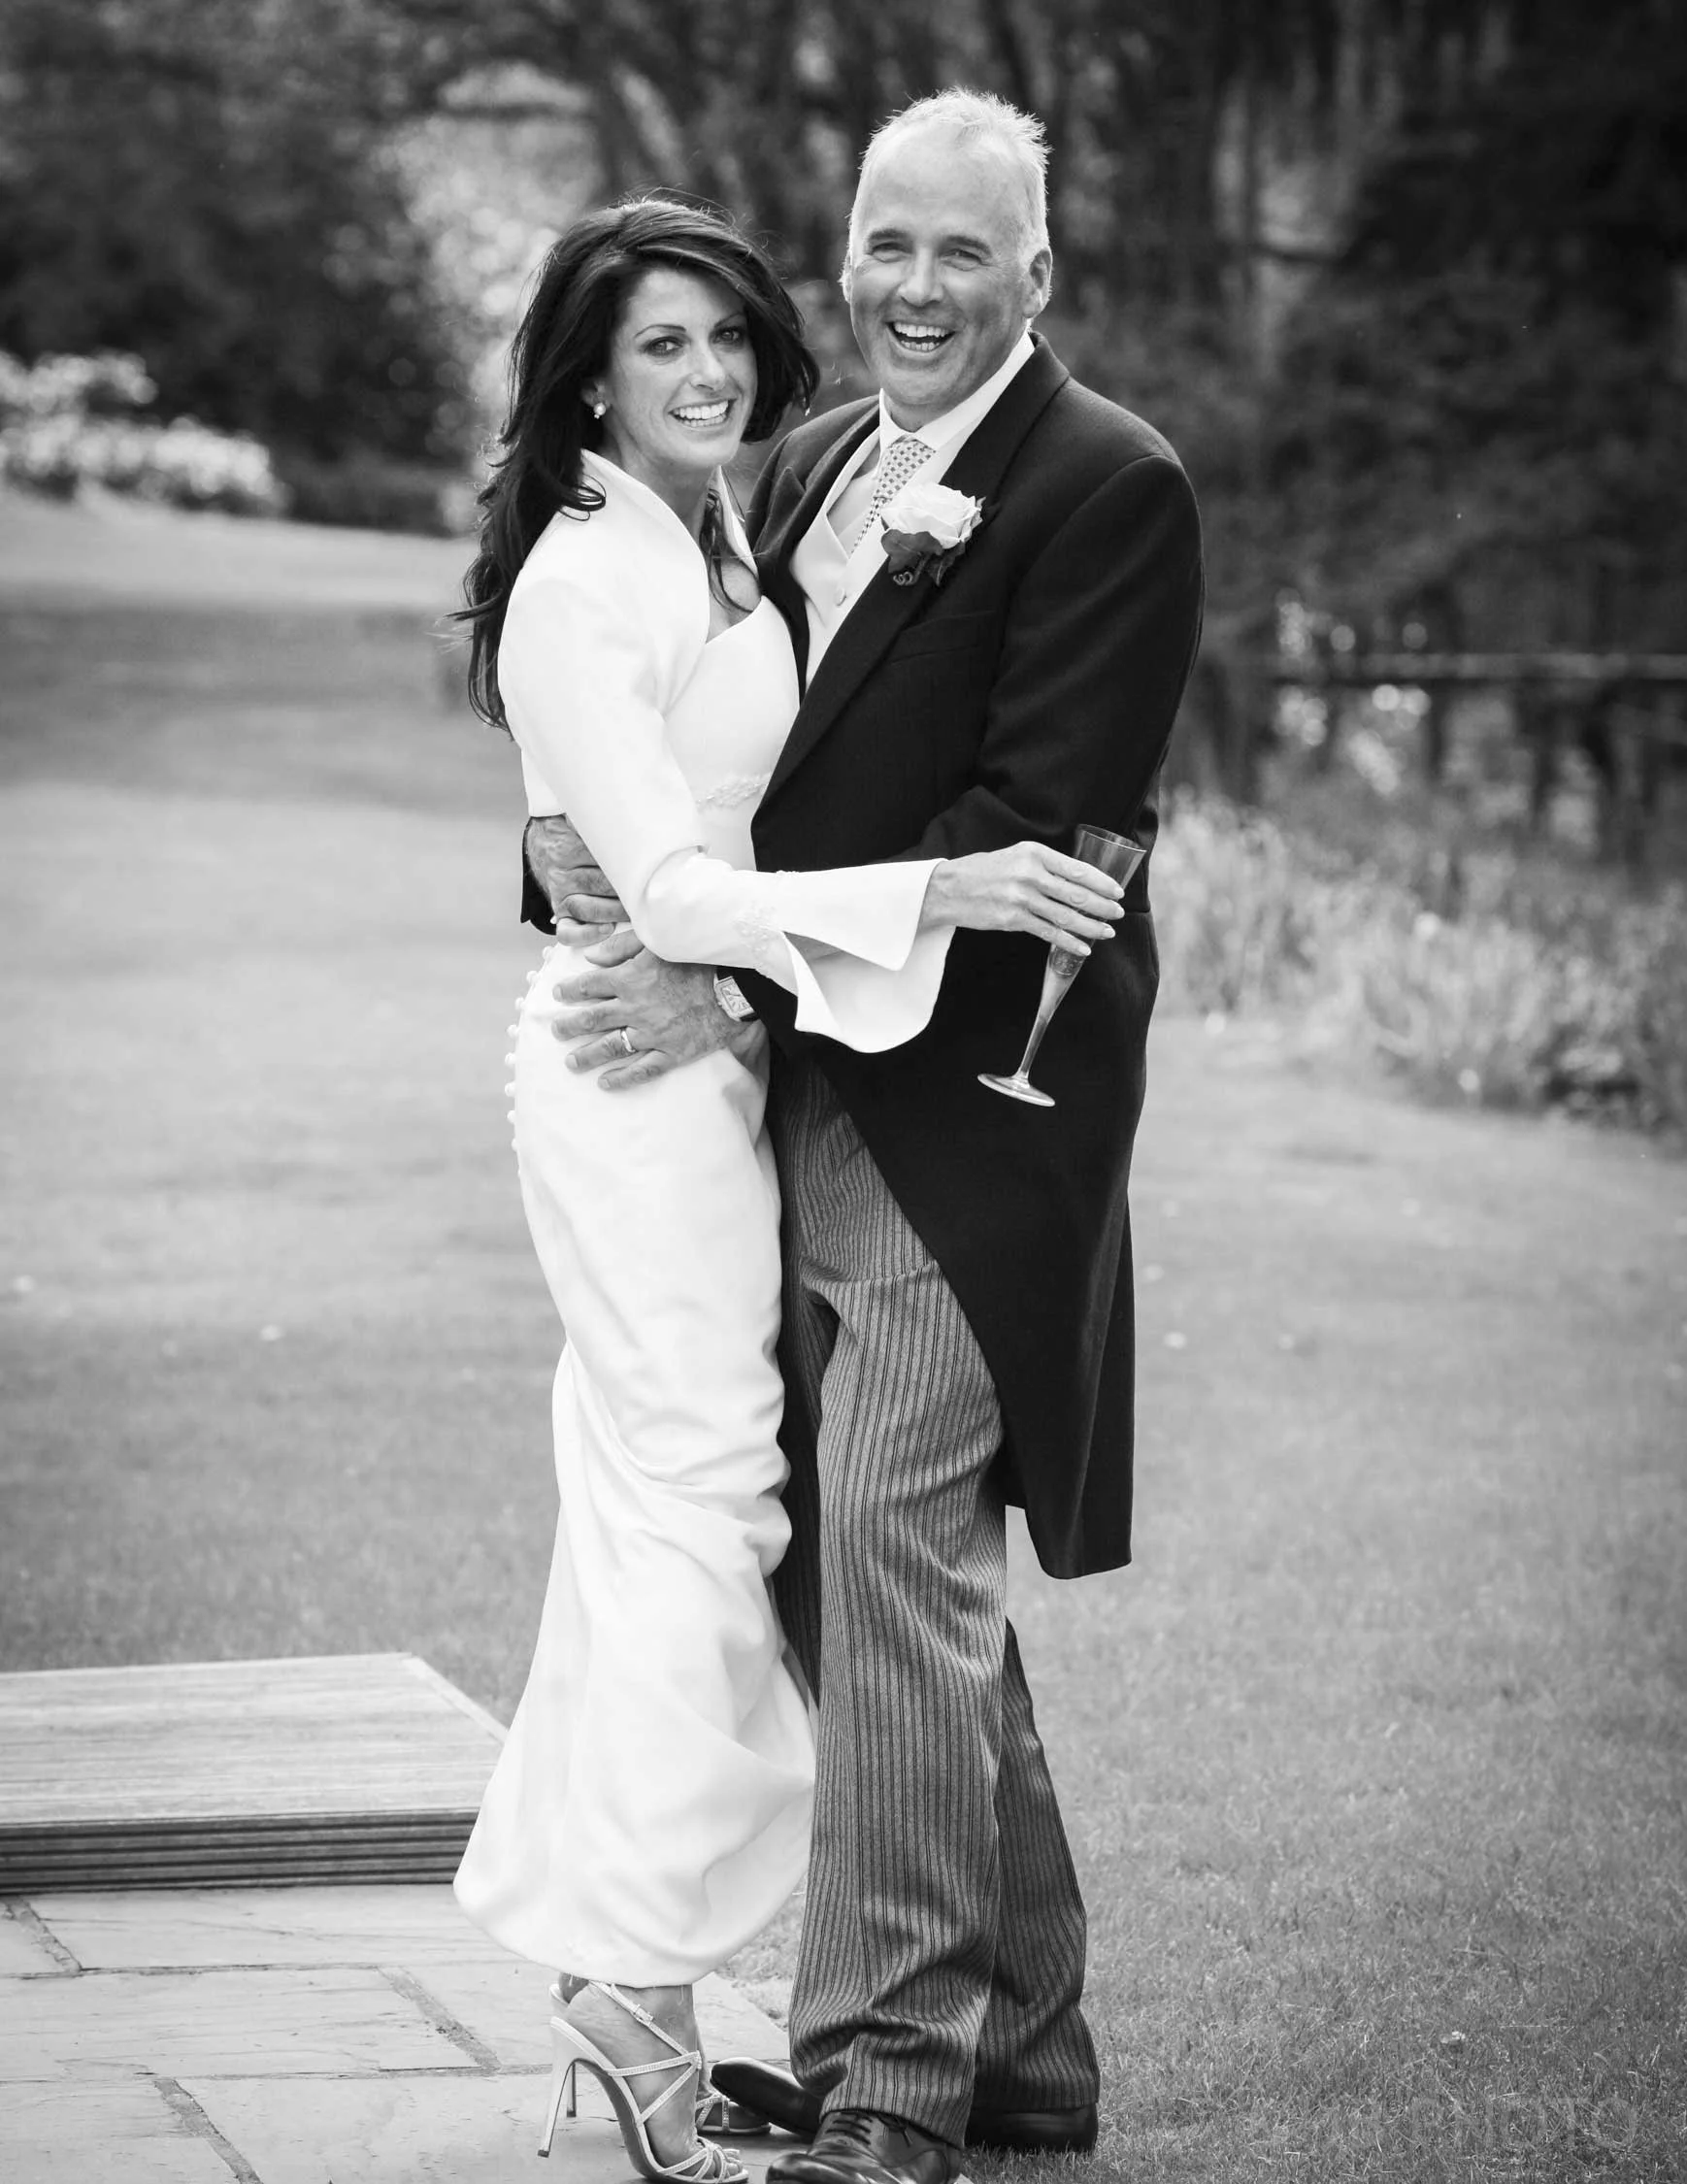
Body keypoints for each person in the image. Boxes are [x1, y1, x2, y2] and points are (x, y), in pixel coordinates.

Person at [526, 92, 1206, 2184]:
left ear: (1036, 273)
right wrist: (569, 856)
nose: (914, 288)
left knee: (895, 1556)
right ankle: (1025, 2056)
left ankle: (885, 2089)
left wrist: (724, 982)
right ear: (844, 256)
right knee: (854, 1581)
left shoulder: (1107, 485)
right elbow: (687, 744)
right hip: (781, 1096)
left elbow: (1028, 829)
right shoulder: (808, 462)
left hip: (967, 1106)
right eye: (885, 245)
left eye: (960, 251)